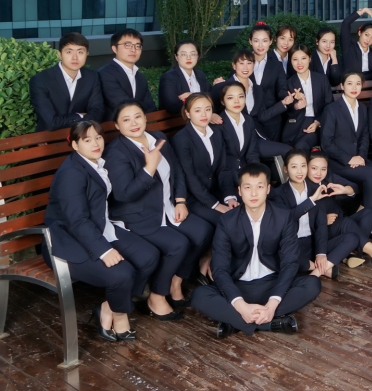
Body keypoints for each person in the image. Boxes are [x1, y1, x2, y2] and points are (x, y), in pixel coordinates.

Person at [44, 121, 158, 341]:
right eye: (87, 140)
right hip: (69, 240)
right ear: (75, 145)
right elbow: (77, 221)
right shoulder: (72, 173)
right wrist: (104, 251)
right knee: (122, 275)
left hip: (100, 227)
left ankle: (108, 306)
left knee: (149, 256)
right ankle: (120, 317)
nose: (95, 143)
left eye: (98, 137)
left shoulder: (95, 163)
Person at [104, 101, 214, 318]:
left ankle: (176, 281)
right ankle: (157, 295)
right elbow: (124, 194)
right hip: (137, 215)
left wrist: (180, 200)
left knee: (203, 231)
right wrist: (149, 167)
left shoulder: (158, 138)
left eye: (138, 116)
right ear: (116, 125)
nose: (134, 123)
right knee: (178, 244)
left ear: (146, 118)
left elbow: (178, 170)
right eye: (126, 120)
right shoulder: (116, 152)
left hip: (168, 207)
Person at [190, 163, 321, 338]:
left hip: (271, 284)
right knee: (199, 295)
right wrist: (241, 306)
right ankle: (270, 324)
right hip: (239, 286)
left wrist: (272, 304)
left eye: (259, 187)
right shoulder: (227, 221)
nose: (253, 193)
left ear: (267, 189)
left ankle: (235, 322)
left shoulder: (283, 217)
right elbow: (220, 269)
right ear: (239, 191)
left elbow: (290, 263)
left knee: (312, 284)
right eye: (247, 187)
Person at [319, 71, 372, 241]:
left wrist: (360, 157)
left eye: (358, 83)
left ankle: (361, 212)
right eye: (350, 83)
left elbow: (365, 136)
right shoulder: (331, 109)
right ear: (342, 86)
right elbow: (326, 142)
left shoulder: (363, 109)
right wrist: (348, 159)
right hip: (338, 162)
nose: (354, 87)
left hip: (358, 158)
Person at [267, 150, 363, 280]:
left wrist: (321, 253)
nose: (299, 171)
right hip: (293, 245)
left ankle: (315, 272)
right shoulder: (278, 193)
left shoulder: (315, 189)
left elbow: (321, 224)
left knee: (352, 238)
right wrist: (311, 200)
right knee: (279, 255)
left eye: (303, 166)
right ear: (285, 169)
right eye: (294, 167)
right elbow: (287, 219)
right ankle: (322, 268)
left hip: (313, 242)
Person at [171, 94, 240, 228]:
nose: (204, 114)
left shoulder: (216, 133)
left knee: (247, 208)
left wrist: (229, 196)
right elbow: (189, 177)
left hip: (216, 189)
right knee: (228, 222)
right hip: (194, 197)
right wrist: (215, 205)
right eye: (197, 110)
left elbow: (223, 169)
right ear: (188, 113)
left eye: (208, 109)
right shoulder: (181, 139)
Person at [209, 50, 294, 159]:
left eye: (249, 63)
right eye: (241, 63)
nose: (245, 67)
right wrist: (211, 115)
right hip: (230, 139)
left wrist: (283, 103)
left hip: (254, 137)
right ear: (234, 66)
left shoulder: (257, 89)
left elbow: (262, 116)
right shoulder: (222, 87)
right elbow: (206, 105)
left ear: (254, 65)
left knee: (289, 151)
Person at [30, 32, 104, 131]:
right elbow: (51, 123)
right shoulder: (41, 80)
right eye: (69, 52)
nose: (75, 57)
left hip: (82, 135)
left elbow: (98, 113)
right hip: (50, 137)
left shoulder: (92, 77)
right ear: (60, 54)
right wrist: (79, 116)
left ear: (87, 54)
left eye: (80, 52)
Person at [281, 44, 333, 152]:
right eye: (295, 59)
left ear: (310, 58)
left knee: (300, 146)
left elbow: (330, 105)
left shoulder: (321, 79)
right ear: (291, 61)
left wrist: (318, 122)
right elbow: (286, 111)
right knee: (288, 149)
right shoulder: (288, 83)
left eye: (303, 58)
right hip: (296, 126)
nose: (299, 63)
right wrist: (296, 105)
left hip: (317, 123)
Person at [97, 29, 158, 121]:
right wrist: (141, 106)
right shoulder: (105, 74)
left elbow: (151, 108)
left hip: (138, 126)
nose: (133, 49)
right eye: (127, 45)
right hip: (112, 128)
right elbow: (123, 105)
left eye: (138, 46)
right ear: (114, 49)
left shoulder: (140, 77)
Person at [159, 39, 221, 117]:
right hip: (179, 122)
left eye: (192, 54)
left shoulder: (199, 74)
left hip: (203, 118)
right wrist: (199, 97)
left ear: (198, 56)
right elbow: (172, 106)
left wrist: (192, 96)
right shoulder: (168, 77)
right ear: (176, 57)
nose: (189, 58)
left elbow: (211, 96)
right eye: (183, 54)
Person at [248, 23, 289, 141]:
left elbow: (281, 89)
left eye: (264, 40)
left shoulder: (276, 64)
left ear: (271, 41)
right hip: (248, 119)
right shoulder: (243, 62)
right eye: (256, 41)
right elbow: (232, 85)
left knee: (274, 150)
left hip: (272, 119)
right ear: (250, 41)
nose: (260, 45)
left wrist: (289, 97)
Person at [214, 81, 262, 173]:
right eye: (230, 98)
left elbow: (252, 152)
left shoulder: (248, 120)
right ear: (222, 101)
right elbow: (219, 161)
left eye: (241, 96)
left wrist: (256, 172)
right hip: (226, 174)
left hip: (245, 171)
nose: (236, 101)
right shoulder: (217, 124)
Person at [340, 7, 372, 80]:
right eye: (366, 35)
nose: (368, 40)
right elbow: (346, 23)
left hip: (369, 86)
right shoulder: (349, 46)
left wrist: (360, 77)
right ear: (360, 33)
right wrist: (363, 10)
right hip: (350, 85)